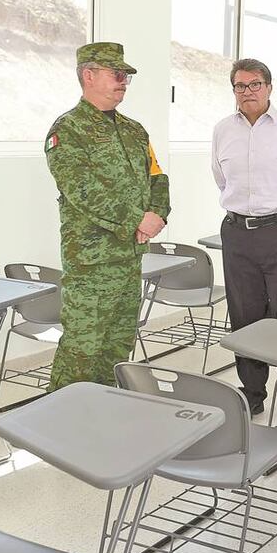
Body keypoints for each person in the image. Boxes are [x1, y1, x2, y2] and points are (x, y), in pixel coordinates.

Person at [43, 42, 170, 390]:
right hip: (91, 263)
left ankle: (104, 417)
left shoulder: (134, 131)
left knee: (118, 346)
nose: (123, 81)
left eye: (126, 75)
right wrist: (136, 220)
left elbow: (156, 176)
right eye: (116, 74)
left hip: (129, 259)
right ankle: (61, 423)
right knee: (82, 350)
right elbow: (81, 190)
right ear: (89, 75)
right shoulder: (67, 130)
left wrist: (157, 214)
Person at [211, 58, 277, 417]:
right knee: (244, 314)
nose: (248, 92)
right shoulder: (223, 130)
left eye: (254, 85)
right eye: (240, 87)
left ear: (269, 88)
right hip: (237, 234)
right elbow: (221, 179)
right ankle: (253, 391)